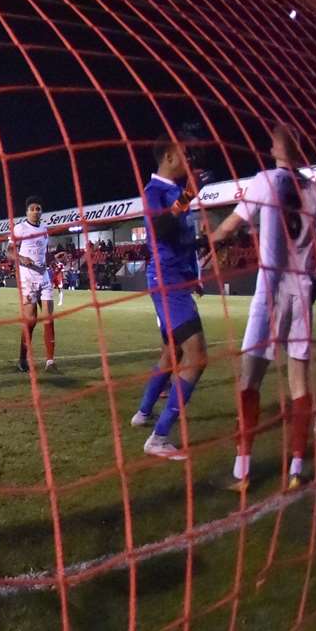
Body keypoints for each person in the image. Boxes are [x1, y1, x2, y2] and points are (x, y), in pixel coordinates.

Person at [207, 124, 316, 491]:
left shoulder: (265, 180)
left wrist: (205, 237)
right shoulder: (315, 191)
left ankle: (242, 472)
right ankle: (295, 469)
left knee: (250, 379)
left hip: (271, 289)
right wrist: (312, 273)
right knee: (298, 381)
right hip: (302, 290)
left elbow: (229, 226)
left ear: (275, 146)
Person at [130, 136, 208, 461]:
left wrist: (194, 273)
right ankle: (159, 437)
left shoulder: (174, 192)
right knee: (197, 356)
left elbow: (181, 236)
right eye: (183, 154)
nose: (188, 158)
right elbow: (160, 228)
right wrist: (188, 197)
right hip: (166, 280)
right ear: (168, 155)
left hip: (177, 278)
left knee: (171, 352)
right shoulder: (155, 192)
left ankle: (144, 412)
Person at [11, 197, 57, 373]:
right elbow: (9, 251)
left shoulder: (45, 230)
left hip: (44, 277)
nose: (36, 211)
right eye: (33, 208)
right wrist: (22, 258)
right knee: (31, 321)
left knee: (49, 318)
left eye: (39, 208)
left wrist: (53, 258)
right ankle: (22, 358)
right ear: (27, 212)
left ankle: (50, 362)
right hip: (27, 279)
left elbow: (42, 254)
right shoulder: (20, 228)